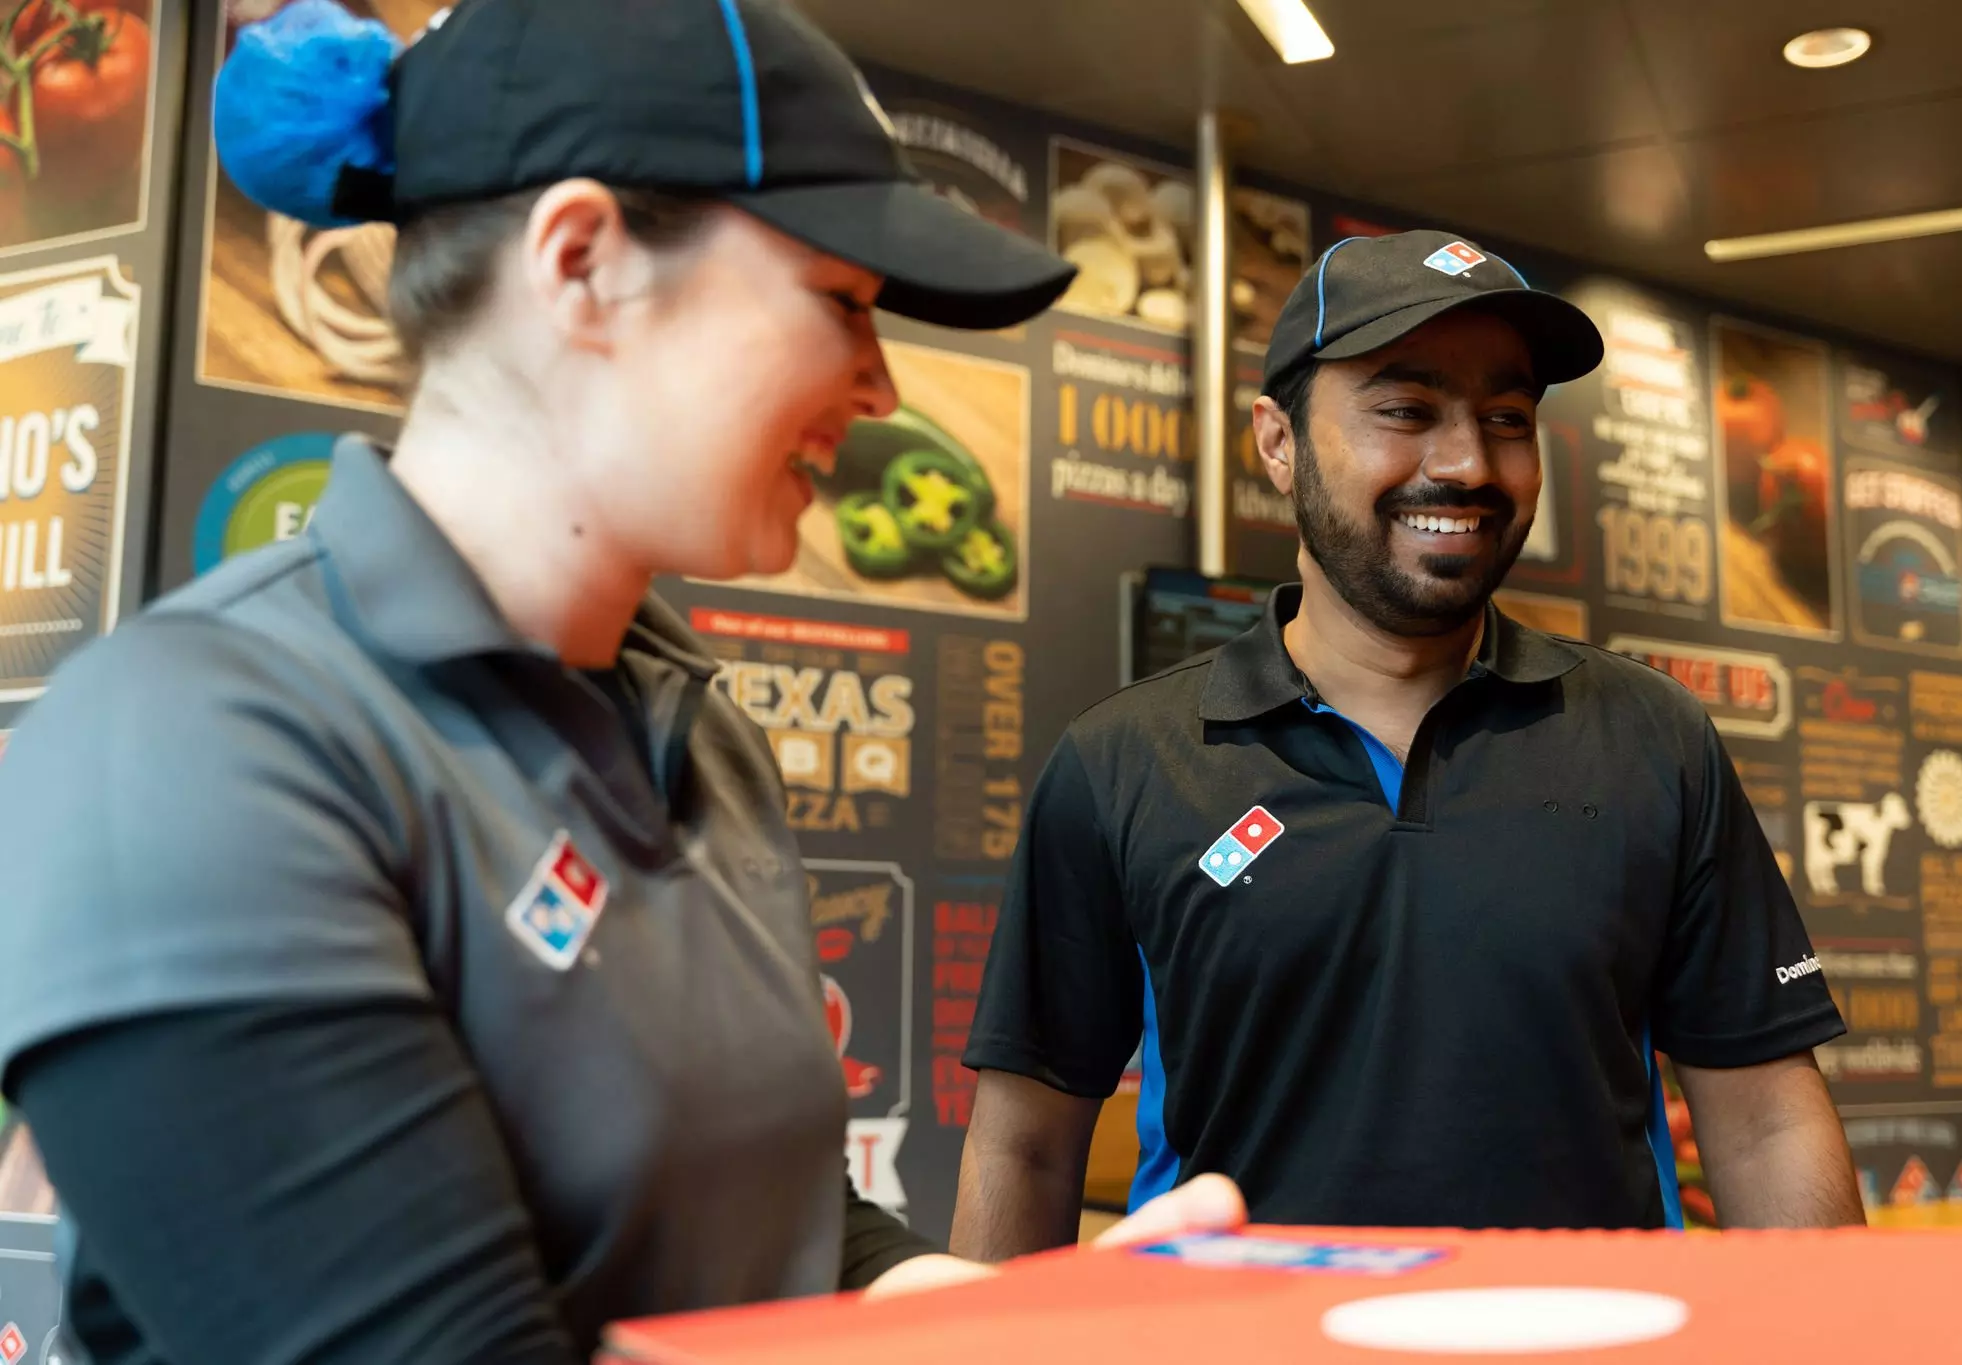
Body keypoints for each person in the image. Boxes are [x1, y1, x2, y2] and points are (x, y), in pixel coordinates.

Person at [0, 2, 1245, 1362]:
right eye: (842, 302)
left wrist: (1039, 1319)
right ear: (582, 260)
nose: (881, 387)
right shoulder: (197, 745)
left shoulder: (691, 730)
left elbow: (774, 1234)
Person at [952, 229, 1866, 1259]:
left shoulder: (1653, 739)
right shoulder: (1121, 764)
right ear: (1276, 441)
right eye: (1404, 410)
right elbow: (1023, 1146)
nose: (1466, 463)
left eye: (1505, 419)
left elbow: (1765, 1119)